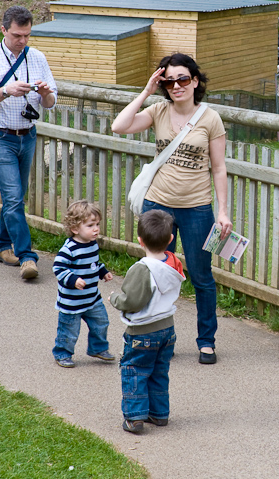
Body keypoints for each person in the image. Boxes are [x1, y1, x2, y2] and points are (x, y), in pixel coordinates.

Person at [111, 53, 232, 365]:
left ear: (194, 81)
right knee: (158, 272)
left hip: (196, 209)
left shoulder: (210, 118)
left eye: (183, 79)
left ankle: (206, 342)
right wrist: (147, 91)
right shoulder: (158, 110)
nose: (177, 85)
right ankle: (158, 335)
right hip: (158, 206)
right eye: (169, 80)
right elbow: (119, 126)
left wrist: (223, 212)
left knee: (202, 277)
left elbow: (219, 169)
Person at [0, 5, 58, 280]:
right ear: (4, 30)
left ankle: (0, 246)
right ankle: (27, 256)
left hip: (27, 135)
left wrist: (44, 93)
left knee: (16, 197)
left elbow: (52, 102)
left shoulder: (38, 57)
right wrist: (5, 91)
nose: (22, 41)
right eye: (17, 35)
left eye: (27, 36)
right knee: (13, 197)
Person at [109, 209, 185, 434]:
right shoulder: (173, 265)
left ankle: (135, 417)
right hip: (167, 328)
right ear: (171, 239)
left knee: (135, 370)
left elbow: (132, 301)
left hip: (143, 331)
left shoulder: (142, 269)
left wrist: (115, 298)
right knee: (159, 371)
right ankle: (159, 413)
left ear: (139, 240)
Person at [52, 200, 116, 368]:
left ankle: (98, 348)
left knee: (101, 323)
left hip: (92, 298)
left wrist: (102, 271)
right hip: (71, 302)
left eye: (97, 224)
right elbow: (58, 267)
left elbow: (93, 263)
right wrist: (73, 280)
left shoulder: (92, 245)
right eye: (90, 225)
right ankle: (62, 353)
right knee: (69, 331)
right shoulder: (69, 248)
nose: (96, 229)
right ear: (75, 229)